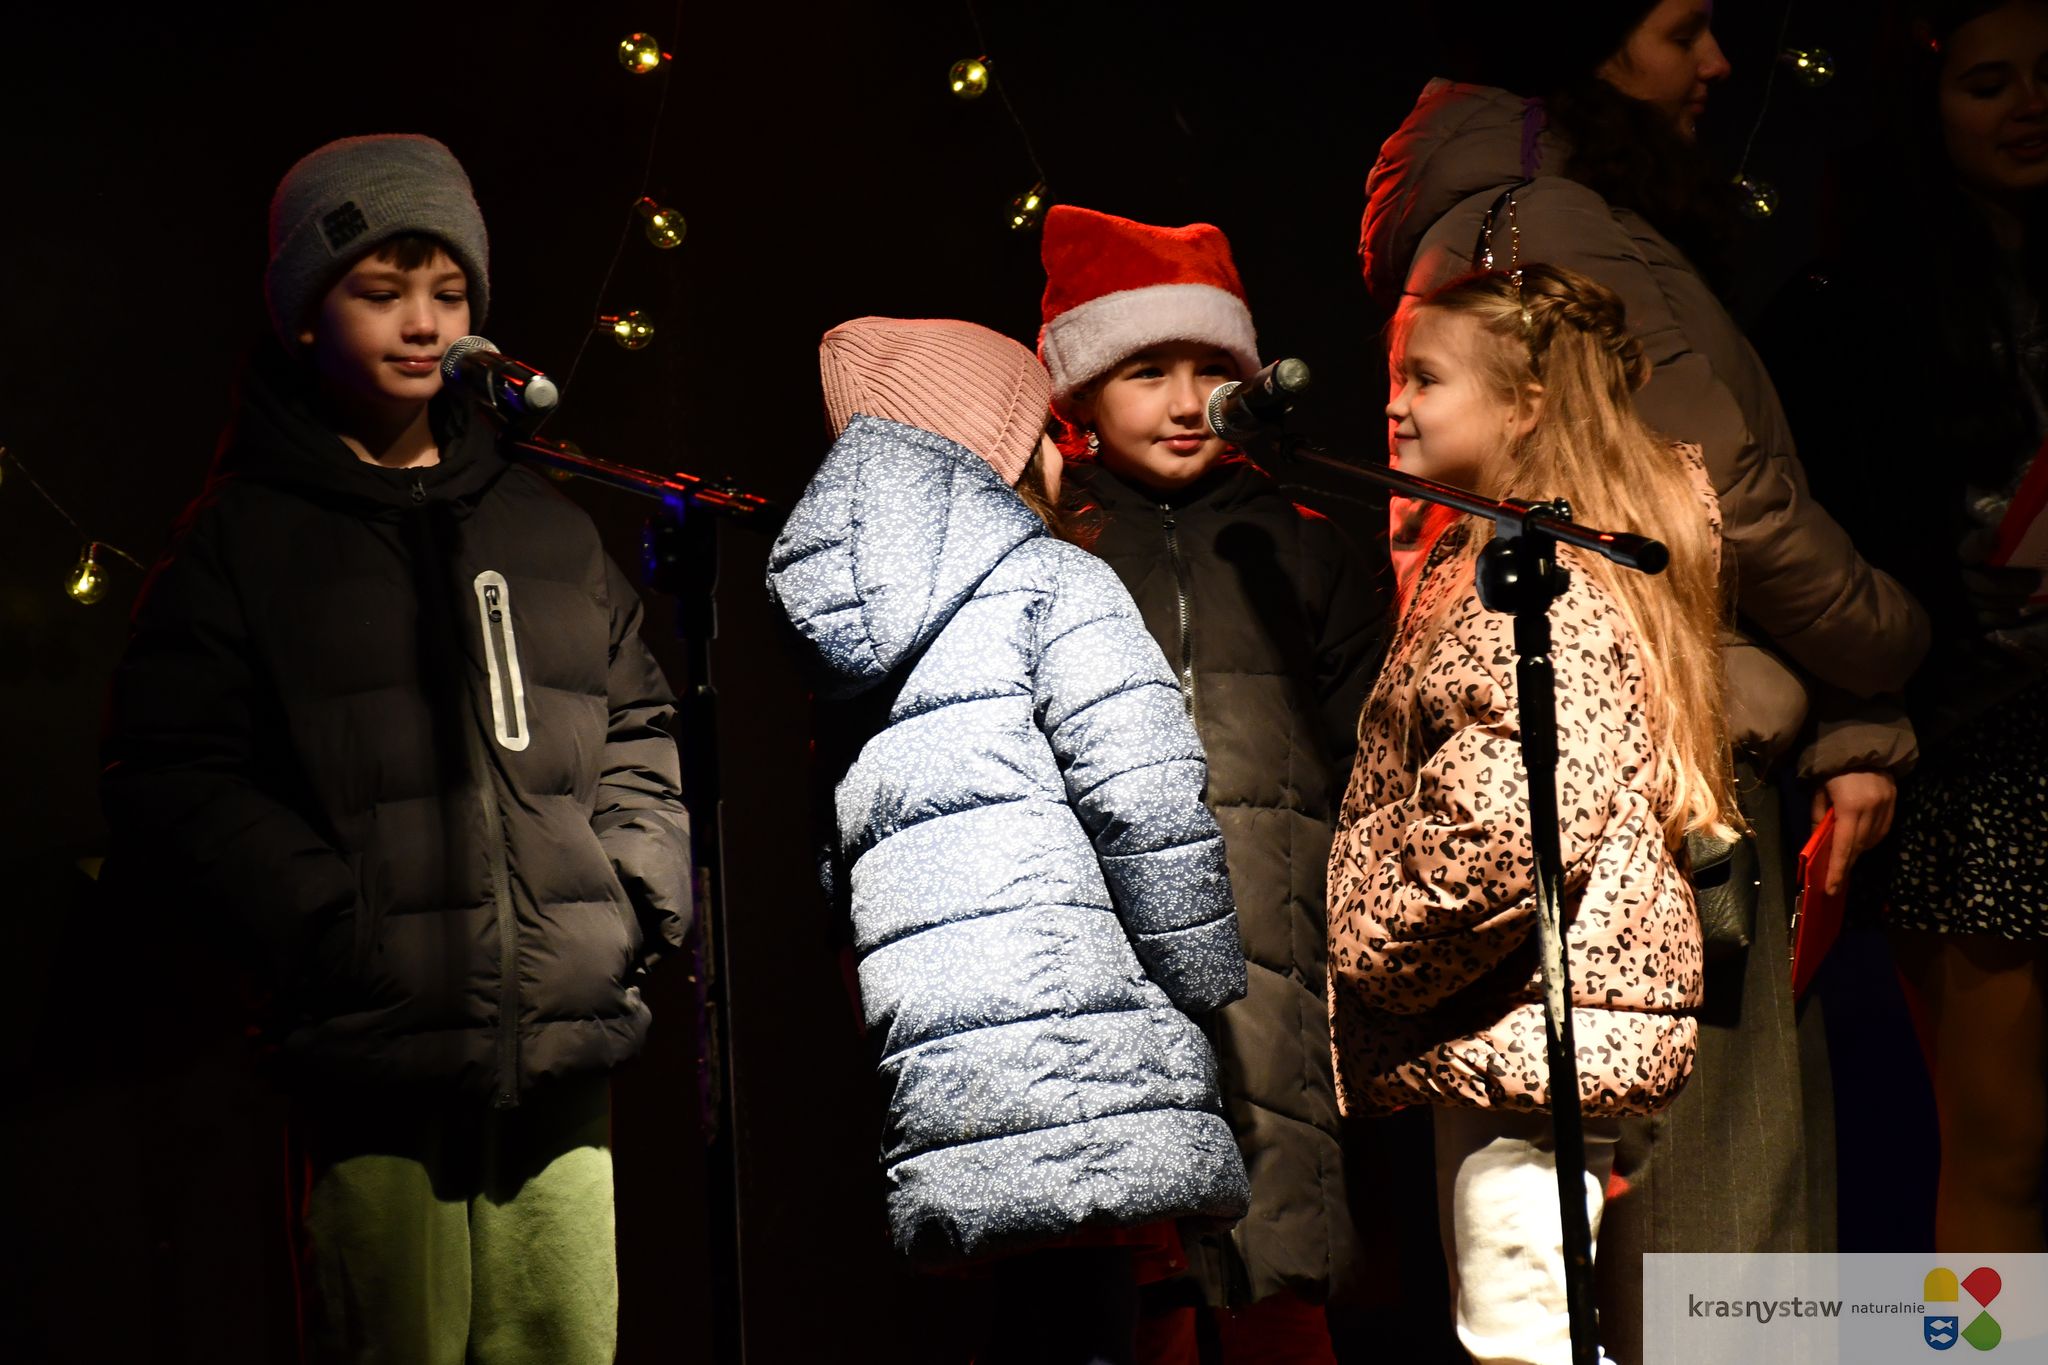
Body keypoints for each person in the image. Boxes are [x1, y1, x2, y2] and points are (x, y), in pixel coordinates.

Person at [1355, 5, 1934, 1348]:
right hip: (1664, 768)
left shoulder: (1505, 213)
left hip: (1644, 745)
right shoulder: (1537, 224)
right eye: (1681, 29)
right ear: (1586, 43)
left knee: (1667, 1231)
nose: (1715, 64)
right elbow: (1722, 500)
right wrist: (1890, 643)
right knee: (1717, 1224)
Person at [100, 134, 693, 1364]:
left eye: (449, 292)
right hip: (374, 1047)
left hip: (560, 1036)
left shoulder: (542, 524)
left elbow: (639, 721)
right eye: (381, 291)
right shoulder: (245, 540)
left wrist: (630, 894)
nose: (424, 324)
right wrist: (330, 925)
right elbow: (171, 770)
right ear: (303, 314)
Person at [765, 316, 1251, 1364]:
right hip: (1085, 1031)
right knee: (1097, 1317)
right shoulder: (1056, 585)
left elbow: (832, 863)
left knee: (1027, 1324)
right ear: (1000, 446)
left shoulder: (843, 639)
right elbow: (1146, 798)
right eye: (1043, 426)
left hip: (941, 1051)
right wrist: (1203, 978)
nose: (1064, 449)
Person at [1329, 262, 1732, 1365]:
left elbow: (1508, 824)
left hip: (1523, 1018)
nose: (1394, 404)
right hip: (1523, 1018)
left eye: (1425, 378)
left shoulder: (1539, 584)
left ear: (1524, 406)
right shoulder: (1502, 557)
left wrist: (1375, 945)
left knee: (1523, 1340)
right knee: (1535, 1327)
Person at [1036, 205, 1386, 1359]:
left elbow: (1364, 753)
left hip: (1274, 953)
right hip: (1112, 964)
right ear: (1080, 392)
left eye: (1209, 370)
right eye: (1147, 372)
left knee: (1278, 1258)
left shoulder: (1300, 541)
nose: (1187, 403)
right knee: (1142, 1286)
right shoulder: (1055, 546)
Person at [1760, 0, 2048, 1252]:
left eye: (2046, 74)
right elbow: (1821, 537)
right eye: (1988, 83)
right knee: (1999, 1142)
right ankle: (1974, 1345)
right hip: (1970, 740)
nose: (2028, 104)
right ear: (1926, 108)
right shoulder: (1857, 301)